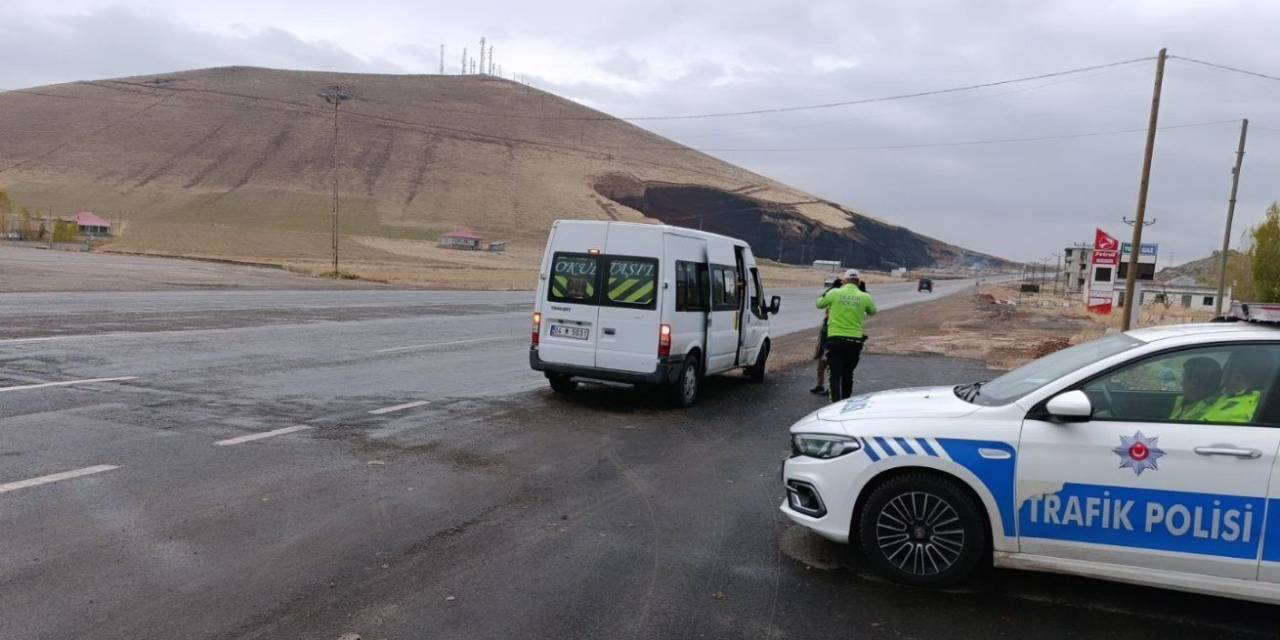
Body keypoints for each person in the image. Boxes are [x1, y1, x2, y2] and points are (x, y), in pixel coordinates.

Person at [817, 269, 877, 401]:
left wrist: (831, 289)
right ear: (859, 282)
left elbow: (819, 303)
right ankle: (845, 401)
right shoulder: (865, 297)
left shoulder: (835, 293)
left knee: (835, 374)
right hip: (854, 341)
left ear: (844, 281)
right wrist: (864, 292)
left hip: (835, 340)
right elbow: (873, 311)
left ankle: (835, 403)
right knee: (848, 374)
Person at [1202, 351, 1272, 424]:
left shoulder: (1248, 408)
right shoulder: (1223, 397)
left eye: (1226, 369)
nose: (1223, 377)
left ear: (1239, 378)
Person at [1168, 357, 1221, 421]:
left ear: (1194, 382)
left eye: (1183, 378)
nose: (1181, 383)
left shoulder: (1206, 412)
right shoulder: (1186, 402)